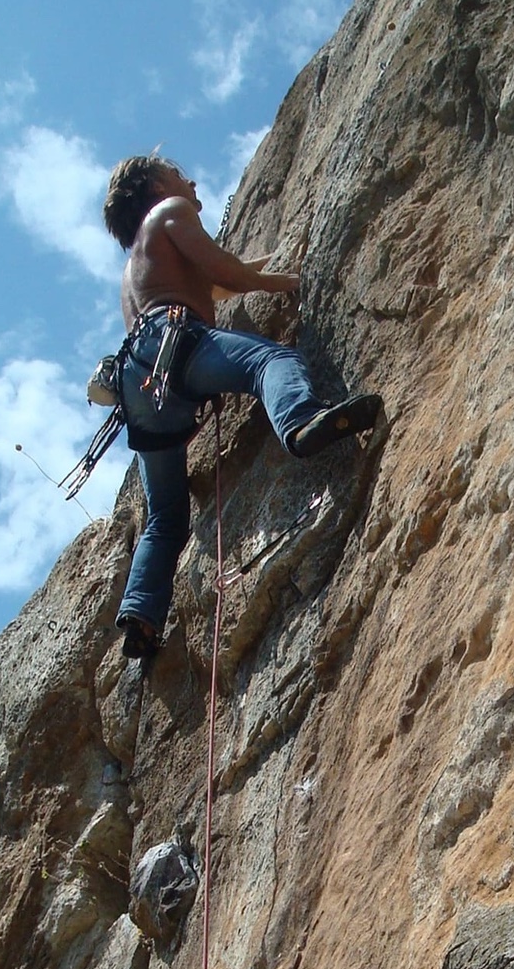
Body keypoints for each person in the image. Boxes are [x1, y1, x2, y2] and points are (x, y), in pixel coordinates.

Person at [101, 154, 382, 657]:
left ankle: (141, 613)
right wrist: (289, 282)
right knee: (269, 360)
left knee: (166, 514)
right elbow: (222, 269)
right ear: (155, 185)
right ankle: (299, 422)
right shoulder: (169, 211)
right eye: (177, 171)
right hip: (176, 346)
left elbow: (213, 281)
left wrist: (269, 260)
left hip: (138, 385)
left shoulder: (135, 267)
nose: (190, 179)